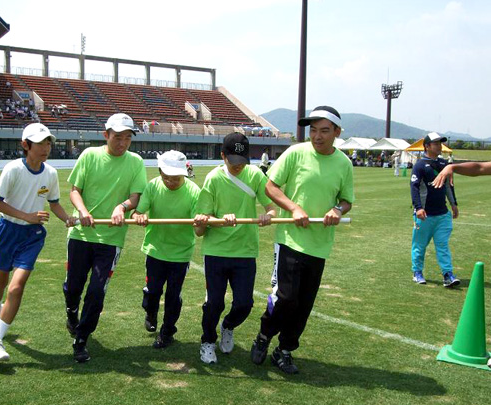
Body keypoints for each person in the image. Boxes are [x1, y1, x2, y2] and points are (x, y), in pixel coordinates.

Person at [250, 106, 354, 374]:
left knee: (304, 304)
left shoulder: (344, 163)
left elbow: (346, 200)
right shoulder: (296, 153)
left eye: (324, 131)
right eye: (313, 130)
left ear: (337, 132)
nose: (317, 136)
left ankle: (284, 351)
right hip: (290, 239)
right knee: (286, 298)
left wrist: (337, 210)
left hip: (320, 244)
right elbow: (270, 186)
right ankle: (263, 336)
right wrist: (294, 207)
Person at [0, 123, 74, 362]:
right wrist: (27, 216)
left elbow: (54, 203)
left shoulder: (51, 173)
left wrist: (68, 219)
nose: (46, 148)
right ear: (26, 145)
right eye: (40, 143)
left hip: (32, 236)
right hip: (6, 231)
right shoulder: (13, 169)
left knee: (16, 286)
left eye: (48, 143)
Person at [63, 113, 147, 363]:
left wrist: (122, 207)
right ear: (106, 135)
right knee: (73, 286)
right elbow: (74, 191)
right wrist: (83, 211)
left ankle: (81, 338)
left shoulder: (136, 162)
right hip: (80, 234)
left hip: (111, 239)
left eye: (128, 138)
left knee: (97, 291)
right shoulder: (89, 155)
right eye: (118, 137)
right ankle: (71, 309)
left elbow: (135, 197)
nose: (122, 142)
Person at [194, 133, 277, 364]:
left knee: (244, 304)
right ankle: (207, 341)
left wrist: (268, 216)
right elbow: (200, 227)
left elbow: (271, 207)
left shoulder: (255, 175)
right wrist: (216, 220)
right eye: (233, 161)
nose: (238, 166)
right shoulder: (212, 179)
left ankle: (228, 325)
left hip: (245, 251)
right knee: (214, 303)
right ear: (222, 156)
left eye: (242, 161)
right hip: (216, 252)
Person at [132, 150, 202, 348]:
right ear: (159, 171)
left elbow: (198, 230)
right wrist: (139, 216)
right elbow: (139, 211)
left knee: (173, 295)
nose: (171, 182)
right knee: (153, 291)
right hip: (156, 249)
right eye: (166, 177)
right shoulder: (153, 186)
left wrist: (201, 222)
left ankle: (167, 331)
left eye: (176, 178)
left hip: (181, 253)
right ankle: (151, 312)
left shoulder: (194, 191)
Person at [410, 132, 459, 287]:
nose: (439, 146)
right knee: (419, 246)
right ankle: (417, 272)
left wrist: (453, 204)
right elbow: (414, 188)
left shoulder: (444, 164)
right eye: (436, 143)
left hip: (442, 215)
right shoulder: (419, 165)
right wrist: (418, 208)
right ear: (427, 146)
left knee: (443, 245)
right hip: (424, 215)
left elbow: (448, 185)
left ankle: (447, 274)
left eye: (440, 143)